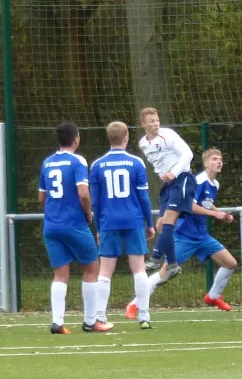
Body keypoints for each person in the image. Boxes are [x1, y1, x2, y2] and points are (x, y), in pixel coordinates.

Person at [125, 148, 236, 316]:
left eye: (220, 159)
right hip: (185, 235)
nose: (219, 162)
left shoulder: (215, 184)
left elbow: (205, 203)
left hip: (202, 236)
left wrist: (221, 213)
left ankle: (213, 297)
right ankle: (134, 304)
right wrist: (215, 214)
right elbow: (190, 205)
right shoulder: (197, 181)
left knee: (230, 263)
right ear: (206, 163)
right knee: (165, 272)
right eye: (214, 159)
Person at [38, 123, 114, 334]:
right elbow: (83, 193)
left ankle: (57, 322)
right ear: (76, 138)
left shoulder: (47, 163)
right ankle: (91, 321)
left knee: (60, 274)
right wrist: (88, 213)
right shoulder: (77, 161)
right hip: (74, 224)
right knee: (92, 268)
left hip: (51, 226)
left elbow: (41, 197)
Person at [90, 121, 155, 329]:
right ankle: (144, 316)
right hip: (133, 220)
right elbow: (144, 198)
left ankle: (100, 315)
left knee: (105, 271)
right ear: (126, 137)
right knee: (139, 268)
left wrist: (99, 228)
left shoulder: (97, 165)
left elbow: (95, 202)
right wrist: (149, 223)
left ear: (109, 138)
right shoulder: (136, 163)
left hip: (109, 221)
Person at [138, 107, 196, 284]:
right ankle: (172, 264)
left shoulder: (168, 135)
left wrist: (174, 172)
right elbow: (158, 162)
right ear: (143, 124)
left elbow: (188, 154)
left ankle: (155, 259)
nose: (155, 124)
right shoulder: (143, 143)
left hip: (182, 178)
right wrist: (164, 174)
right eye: (151, 122)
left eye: (157, 120)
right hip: (168, 184)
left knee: (169, 220)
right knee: (162, 225)